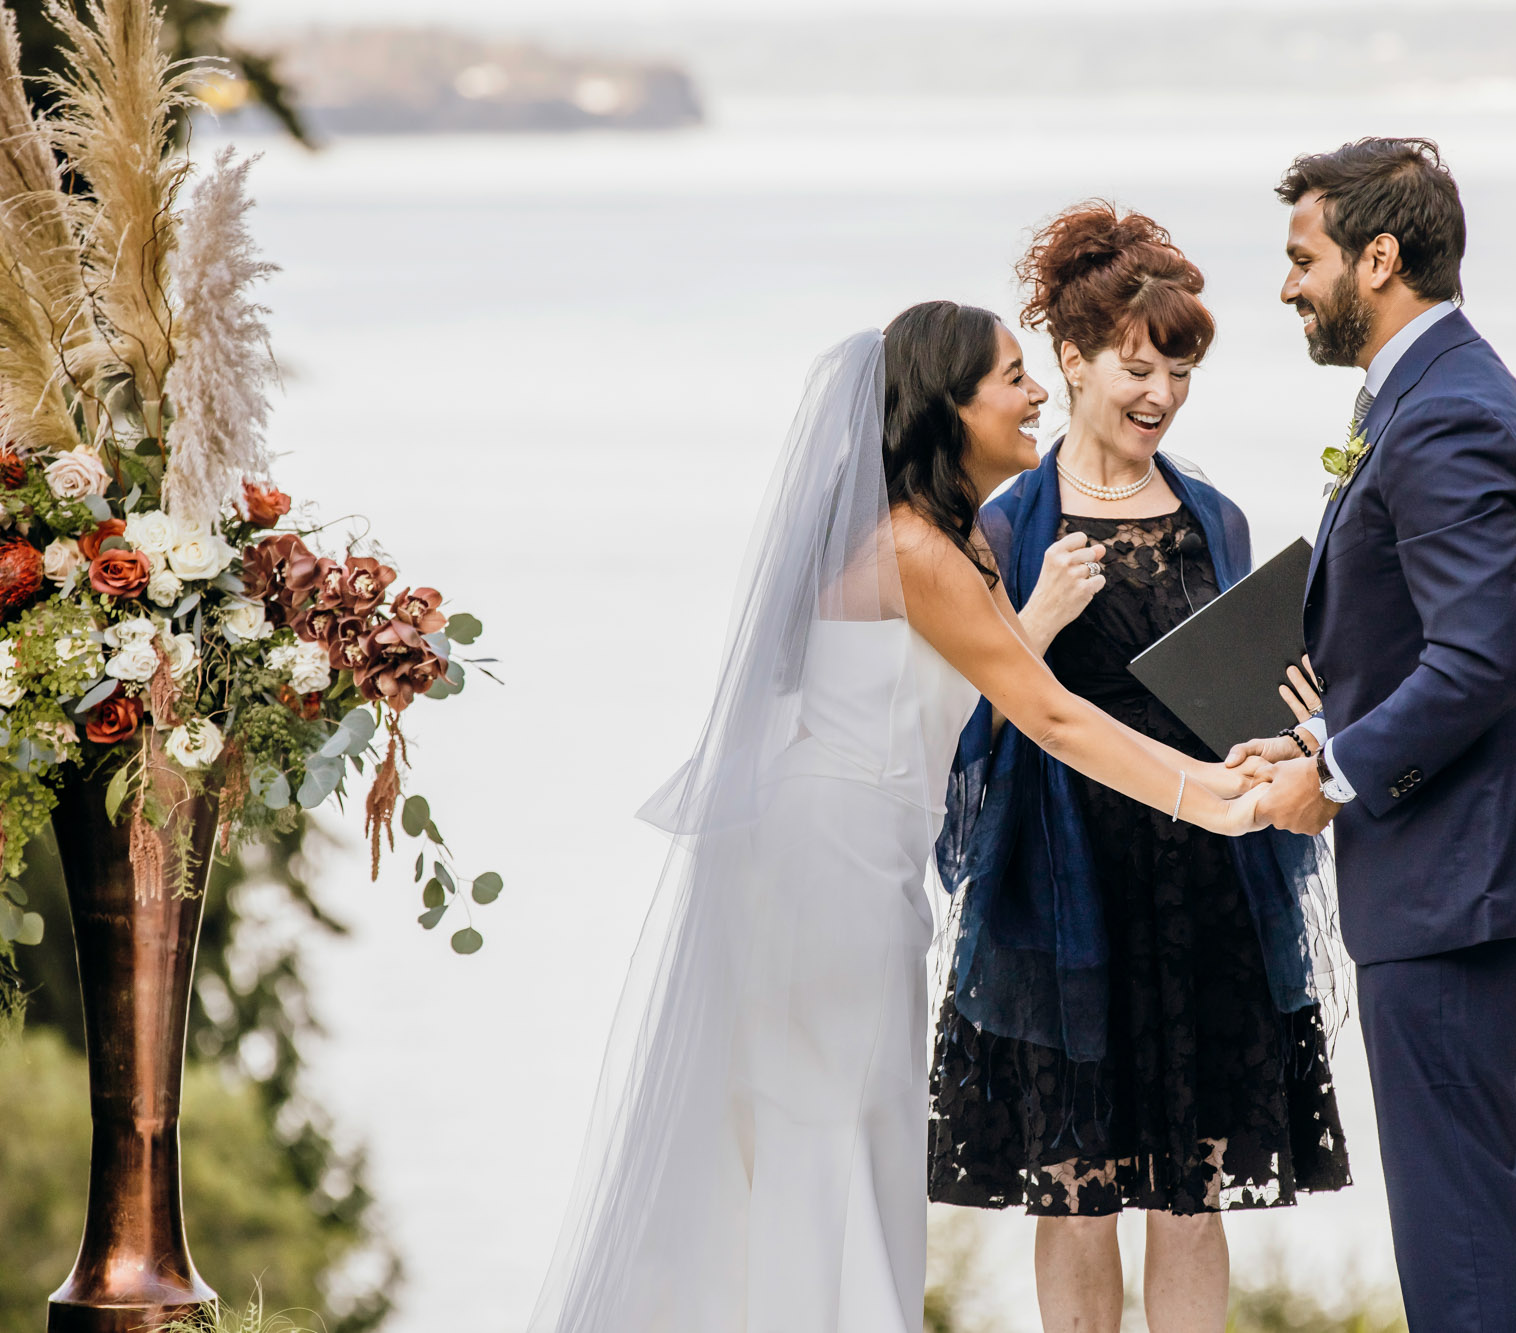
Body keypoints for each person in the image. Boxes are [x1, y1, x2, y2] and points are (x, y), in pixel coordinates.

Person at [527, 300, 1276, 1333]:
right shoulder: (914, 549)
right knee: (825, 1130)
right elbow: (1051, 716)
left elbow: (999, 697)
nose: (1035, 396)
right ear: (947, 406)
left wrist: (1225, 770)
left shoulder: (952, 536)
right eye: (1012, 376)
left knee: (863, 1126)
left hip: (865, 858)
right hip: (820, 865)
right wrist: (1213, 800)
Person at [928, 204, 1350, 1333]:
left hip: (1201, 884)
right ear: (1069, 362)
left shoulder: (1214, 516)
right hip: (1057, 893)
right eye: (1134, 364)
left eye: (1178, 366)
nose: (1157, 391)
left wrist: (1297, 715)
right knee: (1070, 1196)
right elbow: (959, 745)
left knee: (1189, 1189)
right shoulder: (1006, 522)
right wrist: (1031, 621)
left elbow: (1246, 698)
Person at [1227, 139, 1516, 1332]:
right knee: (1462, 1215)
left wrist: (1332, 775)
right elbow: (1438, 646)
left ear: (1376, 258)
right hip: (1455, 869)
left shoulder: (1445, 419)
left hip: (1460, 879)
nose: (1287, 286)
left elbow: (1481, 658)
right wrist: (1321, 730)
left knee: (1459, 1229)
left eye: (1303, 258)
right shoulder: (1432, 395)